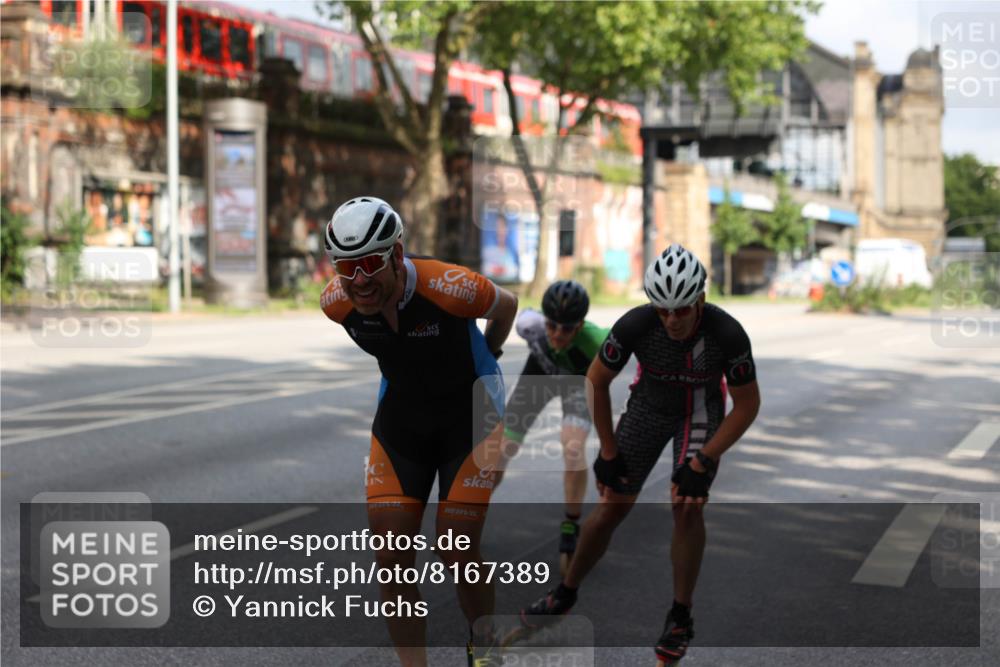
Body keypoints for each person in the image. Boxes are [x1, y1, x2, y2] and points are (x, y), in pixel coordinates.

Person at [511, 244, 761, 665]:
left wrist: (705, 459)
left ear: (700, 299)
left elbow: (748, 405)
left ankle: (680, 616)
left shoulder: (727, 333)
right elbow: (596, 381)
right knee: (611, 506)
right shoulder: (636, 324)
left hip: (700, 409)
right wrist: (607, 450)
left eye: (682, 309)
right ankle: (565, 593)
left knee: (686, 504)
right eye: (662, 309)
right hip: (648, 407)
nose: (672, 319)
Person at [320, 196, 518, 667]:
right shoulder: (336, 303)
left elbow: (506, 306)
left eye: (370, 262)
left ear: (397, 253)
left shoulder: (450, 287)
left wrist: (487, 357)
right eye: (347, 266)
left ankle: (483, 646)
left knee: (455, 542)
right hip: (405, 415)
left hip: (470, 413)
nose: (360, 279)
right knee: (390, 557)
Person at [495, 280, 609, 573]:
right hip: (540, 375)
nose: (558, 334)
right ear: (543, 320)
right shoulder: (528, 325)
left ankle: (571, 526)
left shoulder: (599, 341)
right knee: (501, 448)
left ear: (581, 325)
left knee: (572, 447)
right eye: (552, 326)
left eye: (567, 329)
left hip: (577, 383)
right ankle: (473, 509)